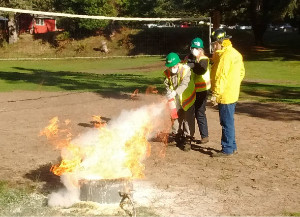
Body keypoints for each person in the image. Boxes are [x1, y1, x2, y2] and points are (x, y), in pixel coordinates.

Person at [210, 29, 245, 157]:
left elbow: (221, 77)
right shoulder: (235, 53)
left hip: (225, 95)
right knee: (229, 121)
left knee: (226, 122)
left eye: (215, 43)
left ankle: (227, 149)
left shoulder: (225, 57)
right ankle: (232, 146)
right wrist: (234, 85)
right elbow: (241, 72)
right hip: (232, 92)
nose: (214, 46)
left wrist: (216, 94)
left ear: (220, 42)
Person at [163, 52, 196, 151]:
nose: (171, 68)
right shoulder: (168, 72)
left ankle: (187, 139)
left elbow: (185, 84)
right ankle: (177, 135)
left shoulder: (186, 70)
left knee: (187, 119)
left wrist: (175, 92)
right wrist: (169, 92)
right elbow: (167, 84)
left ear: (178, 64)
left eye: (173, 66)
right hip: (176, 99)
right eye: (170, 66)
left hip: (187, 98)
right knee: (175, 117)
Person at [184, 37, 211, 144]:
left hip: (202, 90)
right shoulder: (188, 58)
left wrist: (193, 65)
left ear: (202, 49)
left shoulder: (204, 59)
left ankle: (204, 136)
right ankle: (188, 135)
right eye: (194, 48)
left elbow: (201, 70)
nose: (195, 50)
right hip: (190, 90)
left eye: (198, 48)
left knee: (199, 112)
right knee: (189, 112)